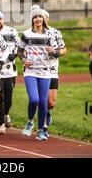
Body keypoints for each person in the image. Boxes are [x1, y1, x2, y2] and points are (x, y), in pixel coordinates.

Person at [17, 8, 60, 141]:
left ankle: (40, 131)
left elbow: (58, 52)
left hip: (46, 71)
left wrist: (53, 51)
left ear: (43, 19)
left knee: (43, 102)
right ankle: (30, 122)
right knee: (34, 99)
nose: (38, 19)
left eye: (40, 17)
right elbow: (19, 50)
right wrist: (24, 60)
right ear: (32, 20)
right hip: (30, 71)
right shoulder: (26, 34)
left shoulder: (50, 35)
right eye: (35, 17)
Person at [0, 11, 20, 134]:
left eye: (0, 19)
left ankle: (6, 114)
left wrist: (15, 55)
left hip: (10, 71)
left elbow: (20, 46)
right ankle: (2, 123)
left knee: (8, 99)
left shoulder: (11, 31)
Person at [41, 9, 66, 136]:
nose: (42, 20)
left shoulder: (56, 33)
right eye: (40, 17)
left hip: (52, 71)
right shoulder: (32, 34)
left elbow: (63, 49)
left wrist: (55, 52)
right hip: (38, 71)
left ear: (48, 19)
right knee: (42, 99)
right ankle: (44, 126)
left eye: (45, 17)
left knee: (51, 103)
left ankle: (48, 112)